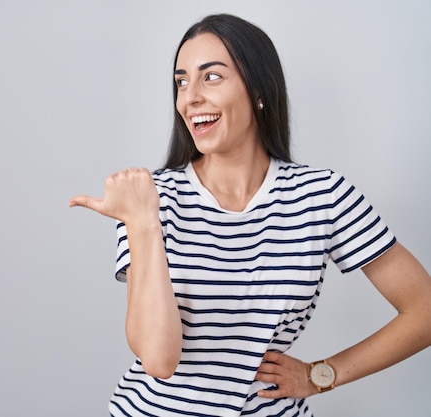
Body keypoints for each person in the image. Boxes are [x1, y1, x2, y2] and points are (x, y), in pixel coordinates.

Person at [69, 13, 431, 417]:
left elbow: (425, 310)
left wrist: (321, 374)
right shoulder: (149, 198)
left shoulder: (322, 195)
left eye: (212, 76)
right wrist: (142, 223)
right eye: (181, 81)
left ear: (259, 88)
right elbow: (159, 360)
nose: (190, 98)